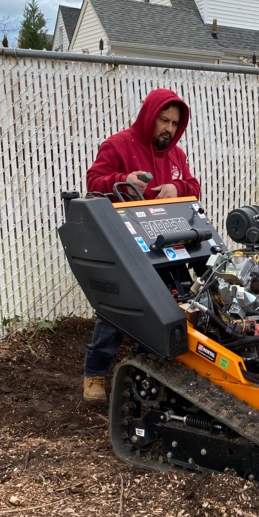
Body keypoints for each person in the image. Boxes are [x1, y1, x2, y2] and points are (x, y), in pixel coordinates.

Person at [82, 88, 201, 402]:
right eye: (164, 120)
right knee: (118, 309)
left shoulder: (176, 155)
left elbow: (193, 186)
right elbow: (94, 181)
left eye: (175, 123)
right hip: (124, 242)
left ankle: (145, 370)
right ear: (150, 115)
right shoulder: (117, 145)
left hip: (166, 241)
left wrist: (177, 186)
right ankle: (95, 374)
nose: (169, 129)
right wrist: (123, 180)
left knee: (177, 300)